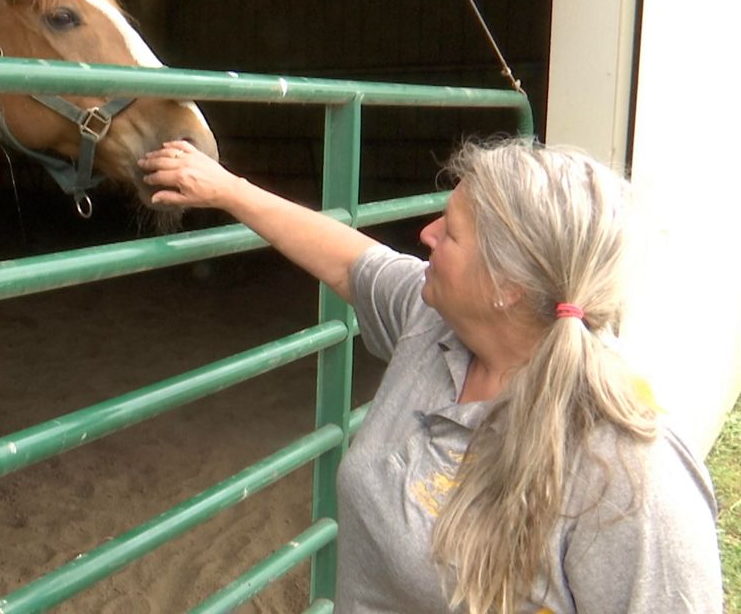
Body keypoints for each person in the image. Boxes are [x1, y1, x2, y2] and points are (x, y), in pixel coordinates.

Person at [139, 137, 723, 613]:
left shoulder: (629, 471)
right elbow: (348, 259)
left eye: (452, 231)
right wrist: (227, 188)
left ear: (507, 287)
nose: (426, 235)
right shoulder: (434, 325)